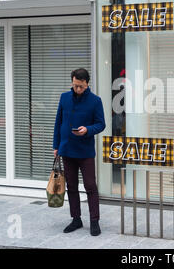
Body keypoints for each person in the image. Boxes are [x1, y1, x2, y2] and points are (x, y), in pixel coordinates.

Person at [53, 68, 106, 236]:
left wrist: (87, 129)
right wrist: (56, 146)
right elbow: (58, 122)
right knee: (71, 186)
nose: (78, 89)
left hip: (85, 151)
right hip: (67, 149)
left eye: (81, 86)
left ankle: (94, 221)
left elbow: (101, 124)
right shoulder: (64, 98)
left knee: (90, 186)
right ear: (72, 82)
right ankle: (76, 219)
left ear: (87, 83)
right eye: (75, 85)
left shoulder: (95, 101)